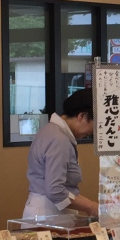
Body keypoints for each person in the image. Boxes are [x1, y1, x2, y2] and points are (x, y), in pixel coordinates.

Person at [24, 89, 98, 218]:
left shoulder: (52, 131)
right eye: (94, 125)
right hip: (48, 213)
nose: (92, 132)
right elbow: (55, 191)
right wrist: (90, 206)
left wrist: (90, 205)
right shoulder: (59, 139)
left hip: (46, 210)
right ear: (82, 116)